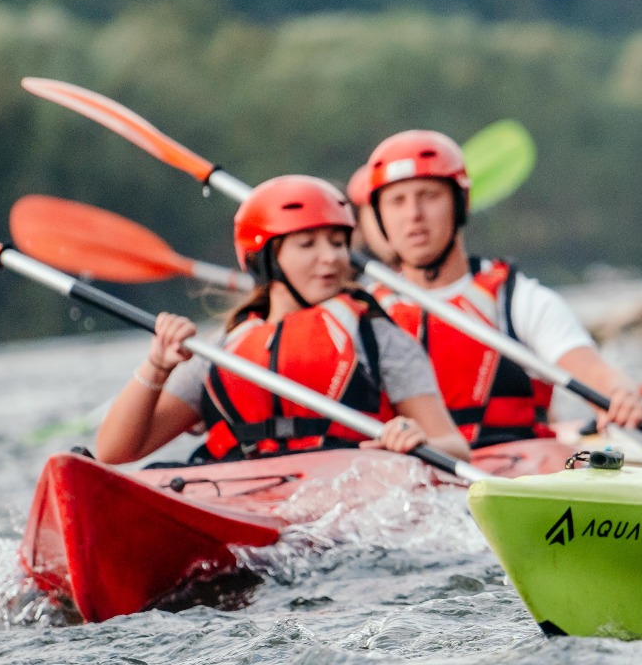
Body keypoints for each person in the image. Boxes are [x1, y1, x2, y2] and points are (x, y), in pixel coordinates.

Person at [94, 175, 472, 465]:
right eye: (307, 244)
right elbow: (115, 452)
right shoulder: (222, 351)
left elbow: (456, 447)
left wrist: (415, 440)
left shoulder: (377, 338)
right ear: (266, 260)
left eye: (337, 242)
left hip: (346, 505)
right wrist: (157, 366)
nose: (330, 257)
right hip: (246, 500)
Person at [347, 130, 642, 449]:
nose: (413, 215)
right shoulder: (362, 313)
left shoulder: (518, 299)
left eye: (429, 195)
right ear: (379, 216)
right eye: (397, 201)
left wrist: (617, 392)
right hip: (412, 467)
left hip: (519, 463)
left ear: (461, 202)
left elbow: (590, 371)